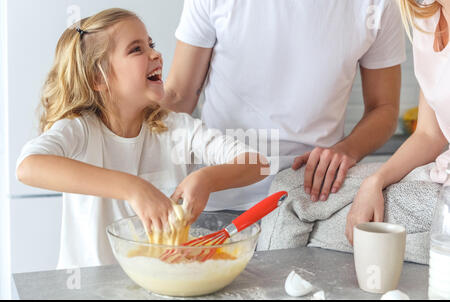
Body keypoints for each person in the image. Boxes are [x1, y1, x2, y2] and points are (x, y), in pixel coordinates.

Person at [16, 8, 269, 269]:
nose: (156, 54)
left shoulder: (176, 128)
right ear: (97, 78)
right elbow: (28, 168)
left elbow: (259, 164)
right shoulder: (80, 130)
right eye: (136, 49)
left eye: (151, 44)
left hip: (161, 283)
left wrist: (207, 178)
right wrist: (134, 189)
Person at [159, 0, 406, 212]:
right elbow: (179, 95)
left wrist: (348, 149)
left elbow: (383, 108)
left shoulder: (377, 5)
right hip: (213, 196)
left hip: (312, 201)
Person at [346, 0, 450, 243]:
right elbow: (429, 135)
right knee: (308, 192)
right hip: (440, 176)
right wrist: (375, 181)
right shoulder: (427, 20)